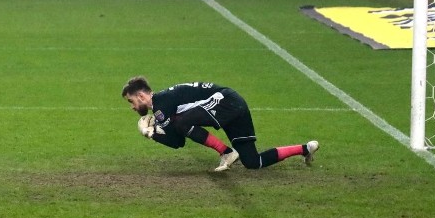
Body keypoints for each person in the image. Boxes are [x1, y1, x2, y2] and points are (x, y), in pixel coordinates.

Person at [121, 76, 319, 172]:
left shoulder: (161, 105)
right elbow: (178, 140)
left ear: (141, 95)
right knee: (252, 162)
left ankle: (226, 152)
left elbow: (176, 139)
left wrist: (151, 133)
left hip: (224, 101)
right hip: (234, 103)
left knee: (182, 121)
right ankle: (305, 148)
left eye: (132, 101)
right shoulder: (165, 102)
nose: (132, 106)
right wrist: (153, 133)